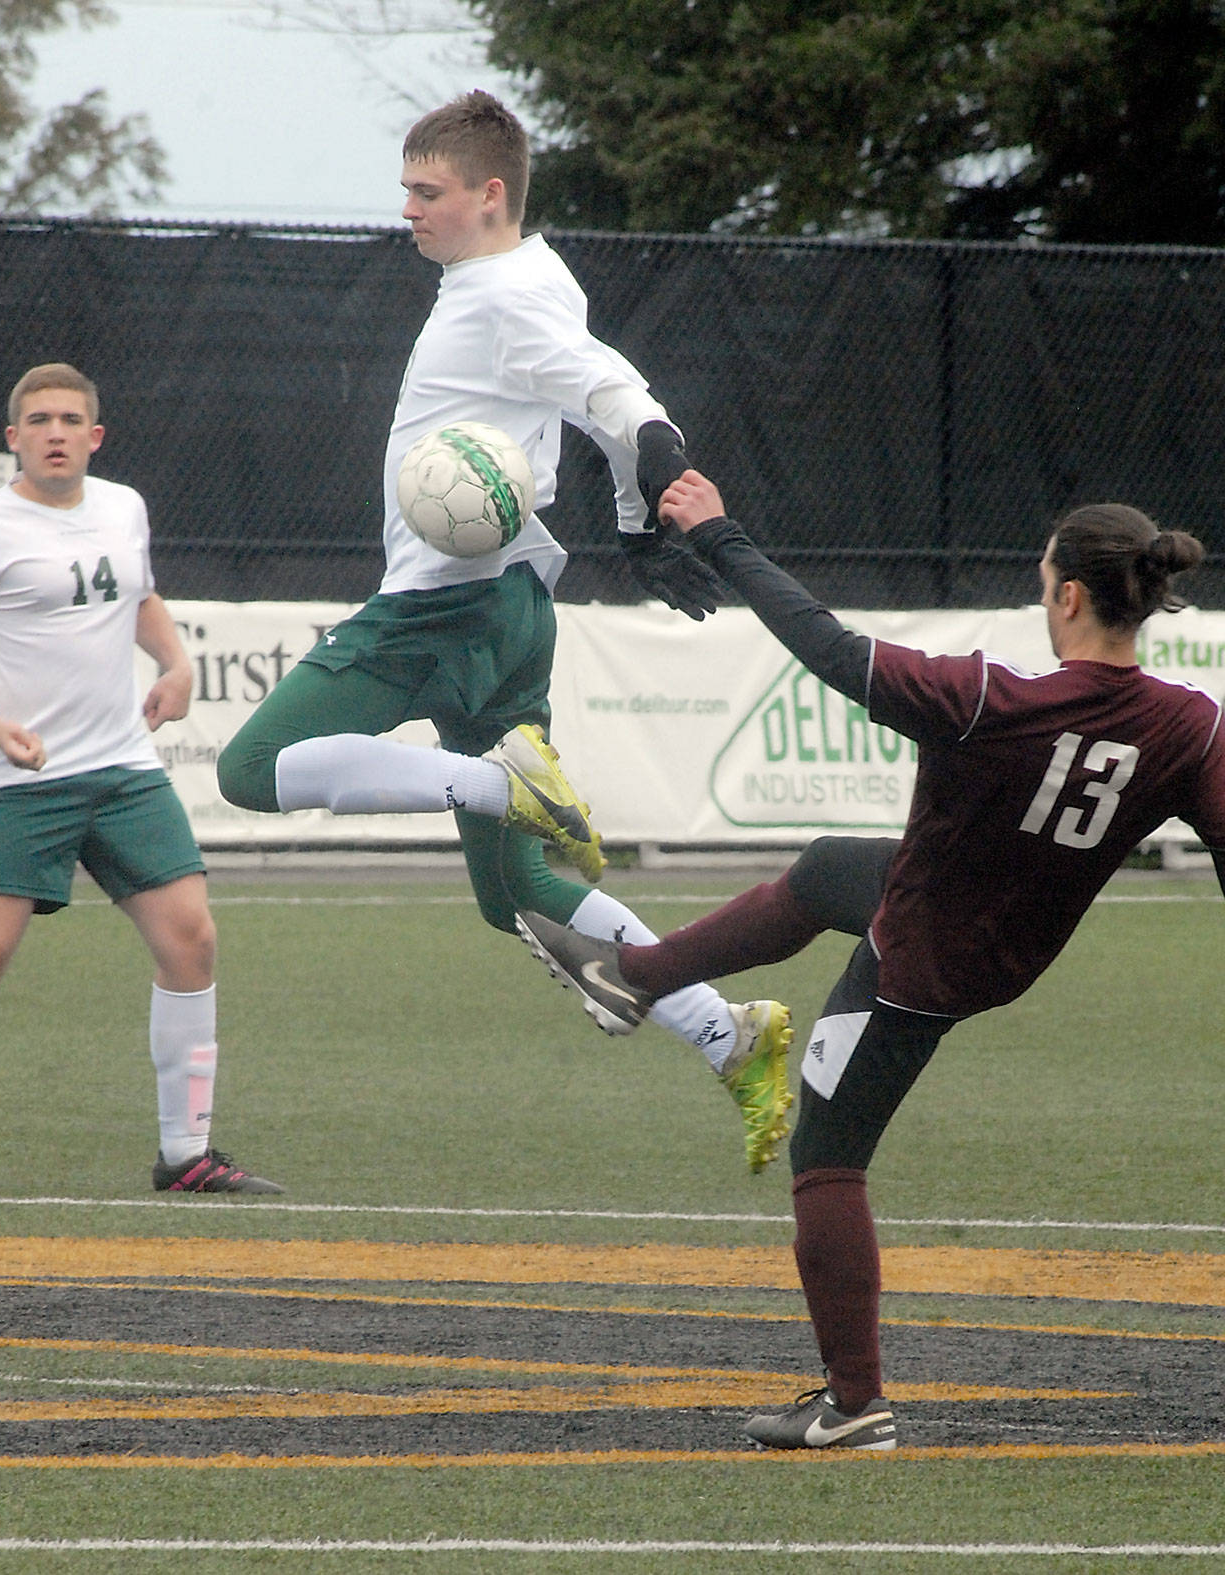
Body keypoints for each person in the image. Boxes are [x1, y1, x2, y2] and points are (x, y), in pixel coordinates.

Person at [516, 471, 1225, 1450]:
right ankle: (629, 979)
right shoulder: (1187, 725)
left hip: (921, 959)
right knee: (826, 872)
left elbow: (826, 647)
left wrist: (719, 535)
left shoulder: (986, 700)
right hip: (1002, 935)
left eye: (1042, 578)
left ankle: (854, 1406)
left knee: (825, 1158)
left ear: (1065, 595)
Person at [215, 91, 793, 1173]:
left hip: (445, 608)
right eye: (404, 190)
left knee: (251, 769)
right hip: (509, 610)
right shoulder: (534, 275)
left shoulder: (494, 297)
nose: (406, 210)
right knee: (517, 895)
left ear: (489, 194)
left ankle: (498, 781)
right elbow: (597, 390)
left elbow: (608, 389)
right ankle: (731, 1038)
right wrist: (631, 524)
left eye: (424, 192)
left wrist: (656, 466)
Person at [0, 363, 280, 1196]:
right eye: (38, 420)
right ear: (14, 438)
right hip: (20, 779)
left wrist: (176, 663)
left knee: (192, 940)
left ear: (94, 437)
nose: (54, 432)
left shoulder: (123, 507)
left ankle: (186, 1154)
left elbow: (140, 598)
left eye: (69, 419)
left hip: (124, 771)